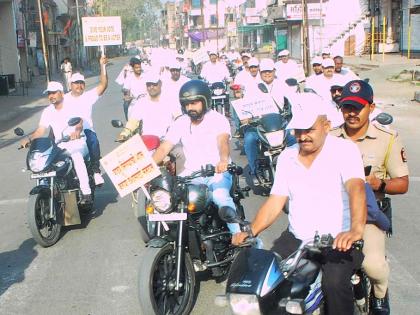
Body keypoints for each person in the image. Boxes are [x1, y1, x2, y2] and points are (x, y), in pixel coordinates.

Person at [232, 92, 367, 315]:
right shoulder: (287, 156)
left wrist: (355, 230)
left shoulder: (345, 150)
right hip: (296, 237)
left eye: (309, 129)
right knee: (266, 278)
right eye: (298, 130)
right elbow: (275, 201)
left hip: (337, 239)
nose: (303, 136)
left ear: (326, 125)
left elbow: (357, 190)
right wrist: (251, 230)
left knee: (333, 284)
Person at [330, 80, 409, 315]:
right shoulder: (330, 138)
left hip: (369, 213)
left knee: (373, 265)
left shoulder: (387, 138)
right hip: (335, 211)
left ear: (371, 108)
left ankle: (380, 294)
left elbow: (402, 184)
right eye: (346, 107)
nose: (351, 113)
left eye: (358, 107)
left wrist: (379, 183)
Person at [152, 80, 240, 234]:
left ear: (205, 101)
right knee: (173, 200)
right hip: (192, 174)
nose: (190, 108)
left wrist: (223, 161)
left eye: (194, 103)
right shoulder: (181, 122)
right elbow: (164, 147)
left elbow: (223, 142)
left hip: (217, 173)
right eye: (186, 104)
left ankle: (239, 234)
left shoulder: (217, 119)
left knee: (220, 197)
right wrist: (147, 167)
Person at [20, 82, 92, 203]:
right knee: (45, 162)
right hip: (59, 144)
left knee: (76, 156)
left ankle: (86, 193)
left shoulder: (72, 106)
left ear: (62, 93)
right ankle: (50, 191)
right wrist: (29, 139)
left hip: (77, 142)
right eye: (49, 93)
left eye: (54, 93)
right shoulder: (47, 111)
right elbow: (40, 130)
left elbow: (79, 123)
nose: (51, 96)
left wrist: (77, 132)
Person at [64, 55, 108, 186]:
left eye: (81, 83)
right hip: (67, 132)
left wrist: (103, 66)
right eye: (76, 83)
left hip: (85, 131)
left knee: (93, 139)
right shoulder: (64, 99)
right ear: (70, 85)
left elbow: (103, 85)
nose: (79, 86)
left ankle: (95, 171)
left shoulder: (88, 96)